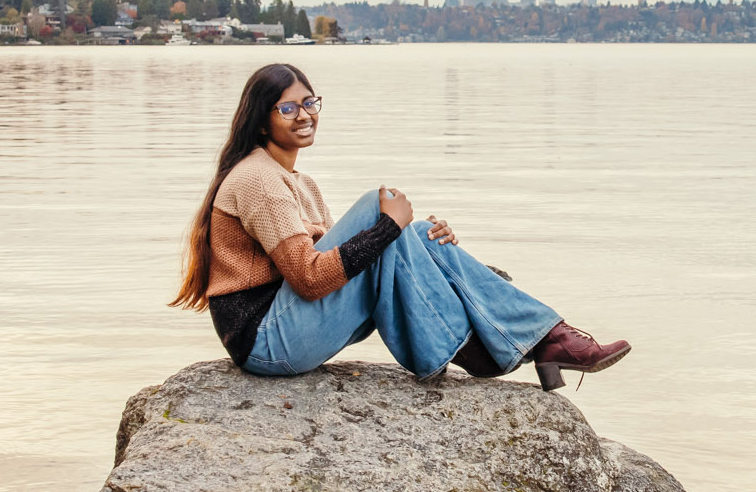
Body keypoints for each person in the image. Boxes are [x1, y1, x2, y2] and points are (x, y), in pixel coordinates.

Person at [172, 63, 630, 389]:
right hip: (268, 342)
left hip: (289, 327)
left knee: (406, 232)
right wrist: (388, 227)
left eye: (309, 102)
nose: (305, 114)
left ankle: (530, 340)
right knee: (381, 212)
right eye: (287, 109)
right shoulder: (256, 179)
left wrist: (420, 241)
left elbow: (352, 264)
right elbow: (312, 280)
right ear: (261, 121)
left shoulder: (298, 181)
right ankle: (520, 342)